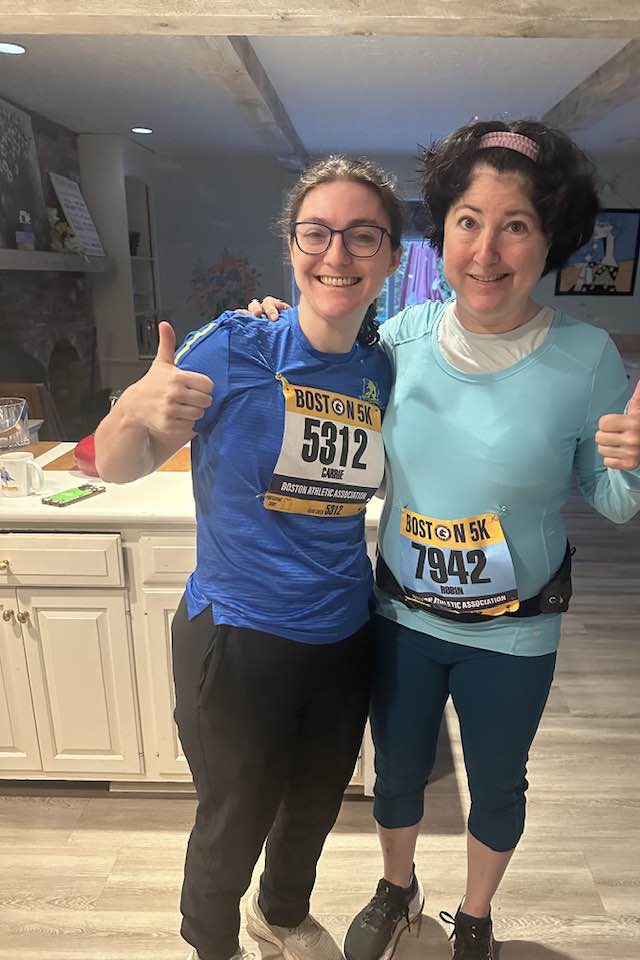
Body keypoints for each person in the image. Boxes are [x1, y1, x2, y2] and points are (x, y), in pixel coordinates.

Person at [244, 119, 640, 960]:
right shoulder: (398, 341)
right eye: (468, 221)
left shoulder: (585, 357)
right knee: (397, 774)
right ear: (441, 232)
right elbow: (323, 363)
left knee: (498, 786)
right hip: (403, 618)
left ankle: (474, 917)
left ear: (550, 240)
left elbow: (616, 501)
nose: (485, 250)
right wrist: (276, 323)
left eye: (516, 225)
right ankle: (397, 889)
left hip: (514, 631)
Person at [93, 156, 403, 960]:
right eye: (317, 233)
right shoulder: (234, 346)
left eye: (362, 236)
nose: (337, 254)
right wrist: (134, 404)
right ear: (292, 246)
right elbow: (119, 463)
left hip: (343, 633)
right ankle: (214, 947)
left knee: (314, 806)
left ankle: (282, 914)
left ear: (391, 257)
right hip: (239, 635)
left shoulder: (379, 367)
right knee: (235, 817)